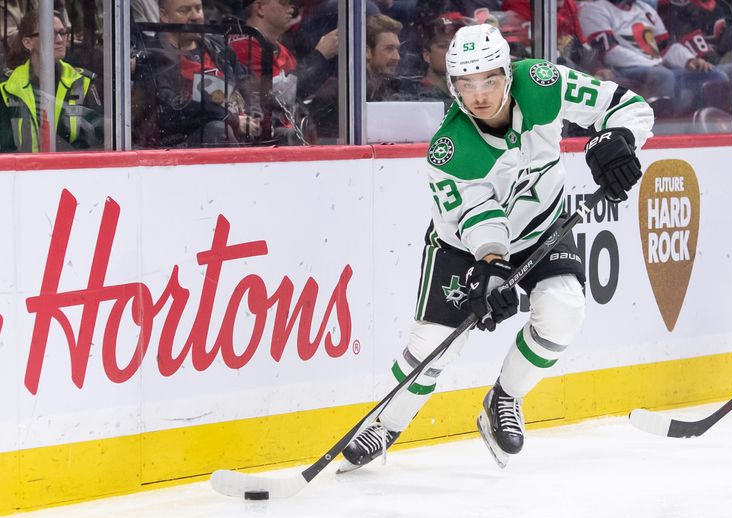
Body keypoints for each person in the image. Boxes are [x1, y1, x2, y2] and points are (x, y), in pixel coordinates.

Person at [339, 23, 653, 471]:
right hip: (465, 247)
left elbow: (627, 106)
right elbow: (478, 218)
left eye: (489, 80)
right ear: (453, 88)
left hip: (542, 225)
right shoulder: (449, 151)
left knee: (564, 308)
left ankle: (504, 397)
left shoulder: (542, 83)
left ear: (509, 73)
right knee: (437, 343)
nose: (480, 95)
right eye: (466, 85)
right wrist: (492, 269)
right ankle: (385, 425)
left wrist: (621, 139)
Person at [131, 0, 262, 147]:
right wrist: (231, 119)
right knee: (218, 131)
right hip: (183, 146)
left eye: (198, 9)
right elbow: (170, 112)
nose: (195, 17)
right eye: (184, 10)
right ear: (164, 16)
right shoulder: (152, 57)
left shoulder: (219, 47)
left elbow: (249, 84)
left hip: (239, 133)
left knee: (285, 135)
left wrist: (256, 114)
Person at [579, 0, 727, 115]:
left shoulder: (645, 10)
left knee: (713, 75)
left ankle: (701, 121)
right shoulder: (593, 9)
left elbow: (665, 47)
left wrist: (689, 60)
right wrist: (651, 63)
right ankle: (663, 127)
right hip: (622, 71)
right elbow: (609, 53)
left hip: (657, 67)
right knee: (663, 75)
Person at [229, 0, 338, 144]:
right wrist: (321, 56)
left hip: (286, 138)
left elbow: (298, 95)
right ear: (260, 8)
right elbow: (280, 94)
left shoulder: (282, 51)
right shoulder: (243, 46)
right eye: (283, 3)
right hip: (261, 142)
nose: (291, 9)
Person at [0, 10, 103, 152]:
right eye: (51, 34)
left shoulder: (82, 82)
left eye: (63, 32)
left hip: (73, 171)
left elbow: (98, 143)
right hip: (22, 172)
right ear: (27, 43)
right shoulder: (6, 87)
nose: (60, 40)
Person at [415, 12, 466, 107]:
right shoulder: (414, 98)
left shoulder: (470, 97)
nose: (452, 51)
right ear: (426, 55)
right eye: (443, 46)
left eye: (456, 45)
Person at [366, 13, 403, 101]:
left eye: (397, 49)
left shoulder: (391, 90)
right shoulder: (342, 94)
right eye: (389, 49)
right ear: (366, 51)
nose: (397, 57)